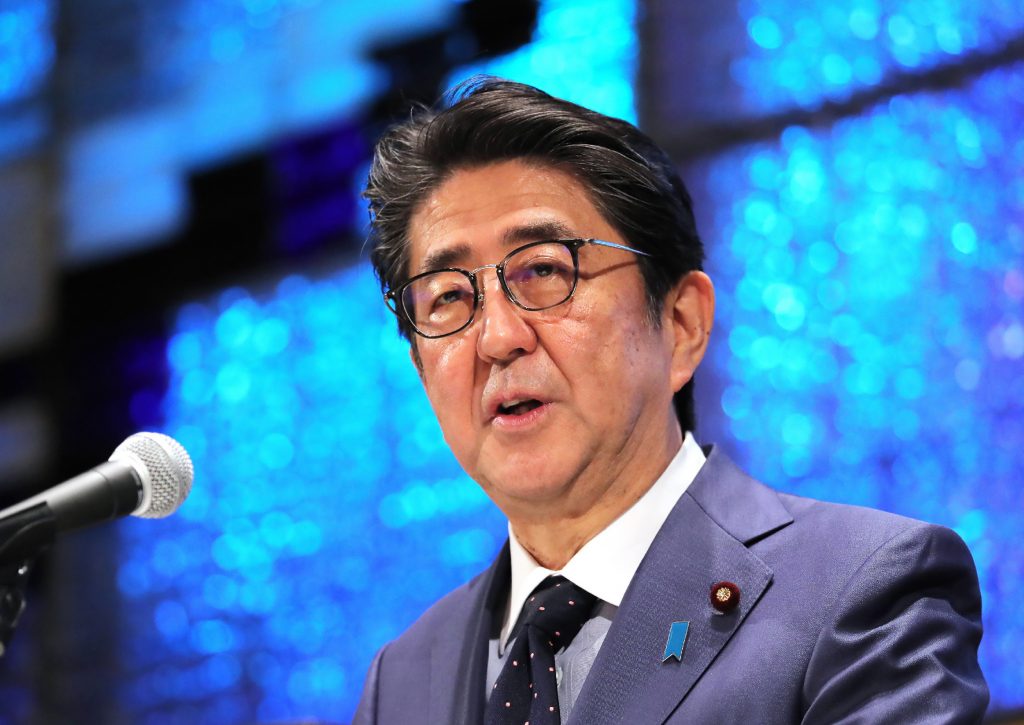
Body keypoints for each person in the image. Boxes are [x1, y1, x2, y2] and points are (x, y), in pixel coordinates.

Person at [353, 78, 988, 724]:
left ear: (681, 322)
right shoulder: (401, 681)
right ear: (423, 370)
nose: (497, 338)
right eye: (449, 298)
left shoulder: (863, 592)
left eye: (544, 270)